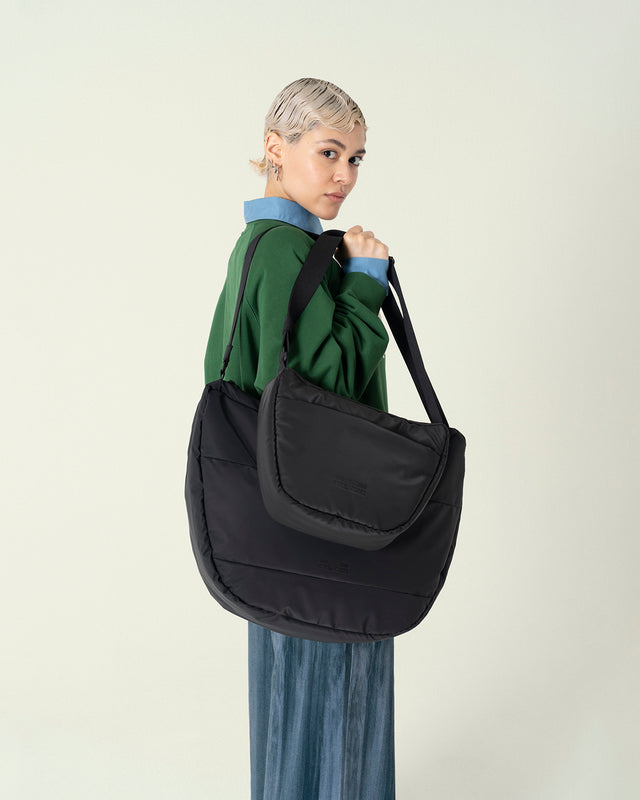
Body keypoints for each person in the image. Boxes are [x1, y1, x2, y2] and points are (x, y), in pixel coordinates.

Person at [203, 77, 395, 800]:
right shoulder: (286, 248)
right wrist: (366, 282)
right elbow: (321, 390)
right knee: (340, 675)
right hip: (325, 512)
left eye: (356, 158)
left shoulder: (260, 246)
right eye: (329, 152)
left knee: (292, 681)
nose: (344, 175)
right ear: (274, 147)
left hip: (278, 514)